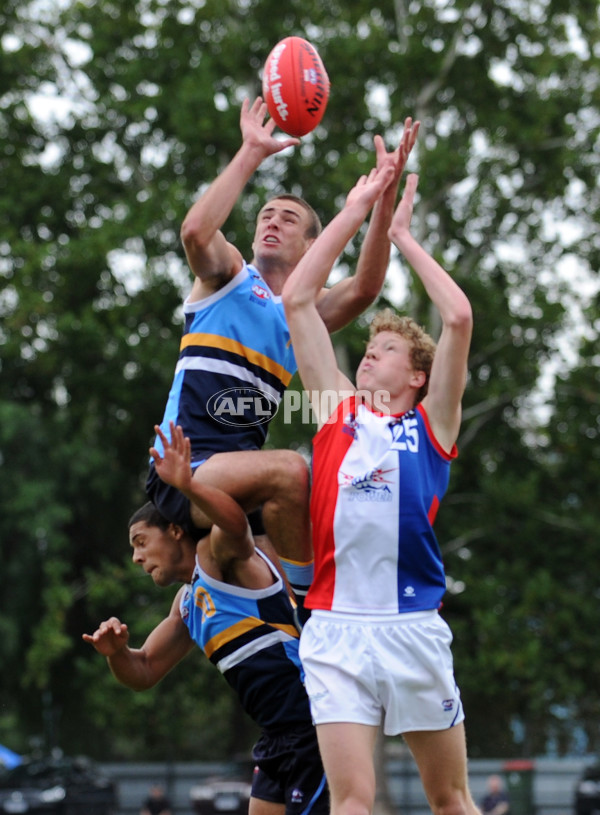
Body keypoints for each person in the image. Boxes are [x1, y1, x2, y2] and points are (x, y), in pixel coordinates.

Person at [146, 96, 419, 575]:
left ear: (312, 245)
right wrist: (252, 150)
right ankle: (310, 609)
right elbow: (194, 232)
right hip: (184, 466)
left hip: (241, 482)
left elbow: (365, 288)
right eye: (265, 216)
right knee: (293, 469)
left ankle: (292, 616)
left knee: (335, 507)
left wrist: (383, 198)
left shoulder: (302, 312)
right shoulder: (227, 276)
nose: (272, 221)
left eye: (287, 218)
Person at [281, 164, 478, 815]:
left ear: (418, 376)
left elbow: (457, 315)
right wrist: (356, 207)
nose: (370, 354)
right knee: (353, 800)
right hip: (336, 628)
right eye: (369, 345)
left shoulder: (432, 426)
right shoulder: (336, 408)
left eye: (388, 348)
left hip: (413, 627)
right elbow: (299, 300)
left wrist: (401, 235)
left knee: (449, 797)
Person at [83, 422, 329, 815]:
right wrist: (116, 653)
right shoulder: (186, 603)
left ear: (176, 531)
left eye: (141, 542)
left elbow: (235, 526)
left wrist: (189, 486)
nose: (136, 558)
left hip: (314, 726)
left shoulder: (213, 560)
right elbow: (144, 670)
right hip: (277, 737)